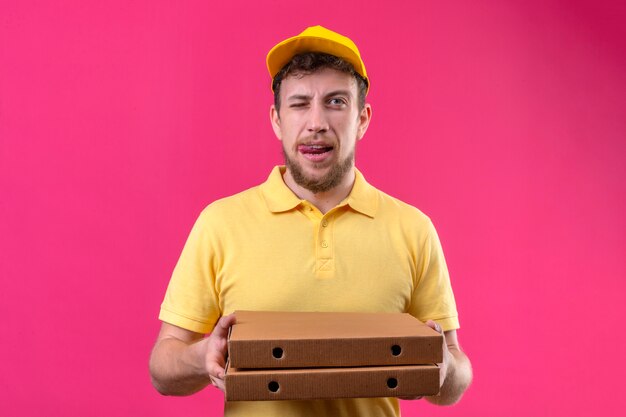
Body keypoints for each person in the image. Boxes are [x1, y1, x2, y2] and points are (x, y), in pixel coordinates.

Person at [149, 25, 472, 417]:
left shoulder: (414, 230)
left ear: (363, 119)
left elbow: (453, 376)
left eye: (336, 102)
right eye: (300, 104)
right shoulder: (220, 223)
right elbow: (162, 368)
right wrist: (203, 356)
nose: (316, 121)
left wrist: (445, 368)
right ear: (276, 120)